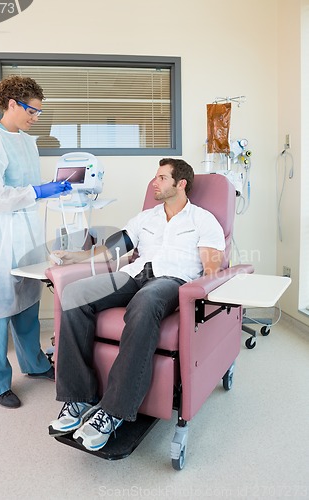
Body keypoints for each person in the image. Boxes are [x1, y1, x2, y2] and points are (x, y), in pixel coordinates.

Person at [47, 158, 226, 451]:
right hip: (134, 274)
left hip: (172, 280)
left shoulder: (202, 220)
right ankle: (78, 397)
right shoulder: (147, 217)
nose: (154, 183)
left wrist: (200, 295)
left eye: (161, 178)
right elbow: (115, 248)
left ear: (181, 184)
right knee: (76, 295)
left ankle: (115, 410)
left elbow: (211, 268)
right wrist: (75, 257)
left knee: (144, 304)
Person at [0, 76, 72, 408]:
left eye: (38, 112)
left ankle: (35, 365)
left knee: (27, 301)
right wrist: (36, 192)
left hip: (25, 230)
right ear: (11, 104)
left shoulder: (27, 141)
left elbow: (27, 187)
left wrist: (49, 188)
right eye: (32, 111)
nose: (35, 117)